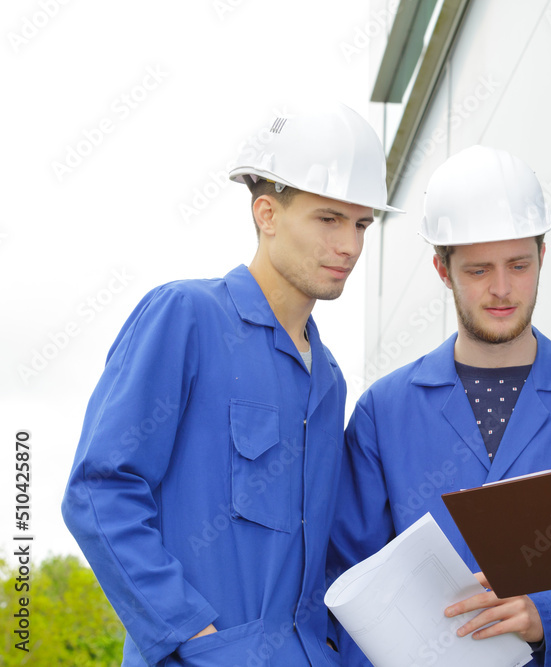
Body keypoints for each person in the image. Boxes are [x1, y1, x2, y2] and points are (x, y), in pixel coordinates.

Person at [61, 106, 401, 666]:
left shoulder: (330, 379)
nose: (350, 246)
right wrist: (193, 636)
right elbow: (99, 490)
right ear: (266, 213)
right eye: (328, 220)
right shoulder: (186, 318)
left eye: (362, 224)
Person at [330, 145, 551, 665]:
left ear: (544, 256)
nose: (501, 289)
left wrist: (548, 623)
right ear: (442, 270)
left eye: (519, 264)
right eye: (477, 271)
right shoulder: (385, 411)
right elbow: (348, 583)